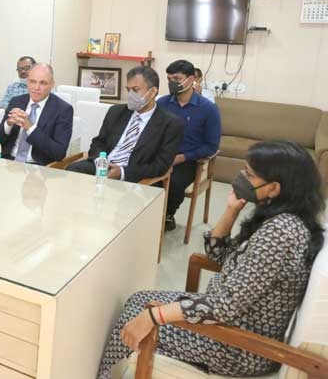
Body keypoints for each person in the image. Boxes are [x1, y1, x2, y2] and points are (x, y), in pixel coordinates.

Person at [96, 140, 325, 378]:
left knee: (135, 316)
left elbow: (226, 305)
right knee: (138, 300)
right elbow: (218, 256)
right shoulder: (280, 218)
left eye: (249, 174)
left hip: (238, 345)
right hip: (228, 321)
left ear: (273, 188)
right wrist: (231, 210)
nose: (241, 177)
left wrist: (155, 316)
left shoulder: (280, 233)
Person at [67, 66, 183, 182]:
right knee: (72, 170)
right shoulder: (116, 111)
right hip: (103, 167)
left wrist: (122, 173)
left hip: (132, 176)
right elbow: (99, 142)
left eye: (136, 90)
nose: (130, 95)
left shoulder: (170, 123)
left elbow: (160, 166)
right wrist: (101, 162)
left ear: (152, 92)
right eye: (128, 90)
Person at [157, 60, 221, 231]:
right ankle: (147, 214)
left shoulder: (208, 109)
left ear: (191, 79)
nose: (172, 83)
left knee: (174, 183)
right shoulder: (162, 103)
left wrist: (183, 157)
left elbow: (212, 146)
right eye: (169, 79)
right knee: (140, 174)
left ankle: (167, 215)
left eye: (177, 79)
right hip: (161, 155)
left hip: (188, 161)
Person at [0, 63, 73, 166]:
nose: (36, 87)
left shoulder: (63, 110)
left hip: (37, 167)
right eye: (32, 81)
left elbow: (59, 153)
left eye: (43, 83)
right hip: (7, 162)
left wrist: (30, 127)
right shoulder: (16, 101)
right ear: (27, 81)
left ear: (52, 84)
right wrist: (8, 124)